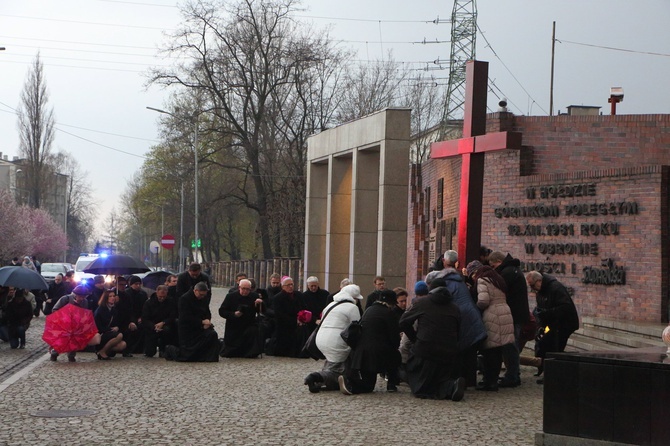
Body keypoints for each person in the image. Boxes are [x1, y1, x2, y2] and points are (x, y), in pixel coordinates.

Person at [399, 286, 466, 401]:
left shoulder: (422, 303)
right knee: (440, 378)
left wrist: (415, 338)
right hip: (448, 351)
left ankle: (441, 387)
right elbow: (459, 329)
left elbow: (403, 322)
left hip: (425, 349)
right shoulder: (454, 308)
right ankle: (451, 386)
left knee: (421, 384)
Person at [429, 264, 487, 389]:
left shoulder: (446, 285)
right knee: (470, 351)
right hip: (472, 316)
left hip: (464, 318)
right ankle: (468, 382)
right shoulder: (457, 281)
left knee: (462, 352)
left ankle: (460, 381)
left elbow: (443, 303)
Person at [339, 289, 401, 395]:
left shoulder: (369, 310)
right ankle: (391, 384)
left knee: (368, 382)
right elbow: (394, 337)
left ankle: (349, 382)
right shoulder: (388, 313)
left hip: (361, 352)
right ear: (390, 303)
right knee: (396, 356)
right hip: (377, 353)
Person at [466, 261, 515, 391]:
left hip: (492, 315)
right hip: (505, 313)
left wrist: (476, 309)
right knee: (498, 351)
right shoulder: (497, 278)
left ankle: (490, 382)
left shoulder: (482, 280)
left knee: (490, 351)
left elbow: (483, 300)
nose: (472, 278)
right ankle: (493, 380)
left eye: (472, 275)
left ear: (476, 272)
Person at [304, 284, 362, 393]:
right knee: (336, 371)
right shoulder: (352, 308)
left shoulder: (330, 305)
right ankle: (314, 377)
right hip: (336, 341)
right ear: (354, 298)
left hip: (320, 339)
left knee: (332, 364)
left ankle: (322, 382)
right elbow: (356, 328)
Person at [526, 271, 580, 383]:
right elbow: (541, 310)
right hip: (550, 324)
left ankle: (552, 375)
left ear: (539, 281)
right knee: (542, 341)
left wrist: (547, 312)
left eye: (532, 285)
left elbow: (566, 308)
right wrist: (540, 324)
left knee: (554, 347)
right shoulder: (540, 291)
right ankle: (543, 369)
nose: (532, 288)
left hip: (563, 324)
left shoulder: (555, 288)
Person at [488, 251, 530, 388]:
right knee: (511, 345)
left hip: (513, 314)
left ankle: (512, 376)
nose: (494, 269)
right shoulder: (513, 270)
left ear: (499, 261)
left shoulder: (508, 272)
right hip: (517, 314)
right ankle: (512, 374)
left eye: (493, 266)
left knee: (510, 346)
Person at [168, 281, 219, 362]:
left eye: (204, 295)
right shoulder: (184, 299)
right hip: (188, 329)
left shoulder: (204, 298)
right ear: (195, 291)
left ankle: (209, 357)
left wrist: (207, 321)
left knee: (212, 335)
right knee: (187, 356)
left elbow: (207, 312)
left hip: (201, 327)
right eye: (201, 294)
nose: (202, 297)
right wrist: (201, 322)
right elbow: (185, 317)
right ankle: (170, 349)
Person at [50, 285, 102, 362]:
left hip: (76, 325)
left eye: (84, 296)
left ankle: (71, 355)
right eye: (80, 296)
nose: (82, 298)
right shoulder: (65, 299)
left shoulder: (85, 302)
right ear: (75, 295)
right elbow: (55, 310)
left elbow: (84, 313)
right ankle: (55, 353)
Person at [218, 279, 263, 358]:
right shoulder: (230, 296)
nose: (245, 291)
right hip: (234, 325)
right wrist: (233, 314)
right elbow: (222, 311)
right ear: (239, 287)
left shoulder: (254, 296)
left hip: (249, 324)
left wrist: (259, 304)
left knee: (254, 330)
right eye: (243, 289)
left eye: (248, 289)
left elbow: (260, 311)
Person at [268, 276, 306, 357]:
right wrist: (294, 321)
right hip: (284, 325)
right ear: (283, 287)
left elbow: (303, 308)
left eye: (292, 284)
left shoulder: (299, 295)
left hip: (299, 321)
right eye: (288, 285)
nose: (291, 287)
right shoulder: (277, 298)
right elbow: (279, 314)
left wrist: (301, 318)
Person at [141, 285, 178, 358]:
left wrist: (163, 323)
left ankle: (164, 349)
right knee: (150, 352)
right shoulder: (149, 303)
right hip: (152, 326)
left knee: (167, 330)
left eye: (164, 297)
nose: (162, 298)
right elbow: (145, 318)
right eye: (160, 296)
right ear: (156, 293)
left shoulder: (170, 302)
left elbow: (172, 316)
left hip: (165, 324)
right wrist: (154, 326)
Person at [117, 275, 148, 356]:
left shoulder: (142, 294)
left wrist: (141, 317)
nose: (138, 286)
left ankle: (137, 349)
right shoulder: (123, 294)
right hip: (122, 319)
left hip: (134, 317)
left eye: (139, 284)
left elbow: (143, 308)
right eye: (135, 284)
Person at [93, 288, 127, 360]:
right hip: (101, 333)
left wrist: (116, 327)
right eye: (110, 296)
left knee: (123, 344)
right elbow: (98, 326)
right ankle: (102, 351)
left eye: (114, 296)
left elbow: (117, 322)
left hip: (110, 333)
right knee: (119, 335)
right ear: (106, 298)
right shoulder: (100, 310)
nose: (113, 298)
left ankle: (105, 351)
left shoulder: (113, 310)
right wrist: (110, 329)